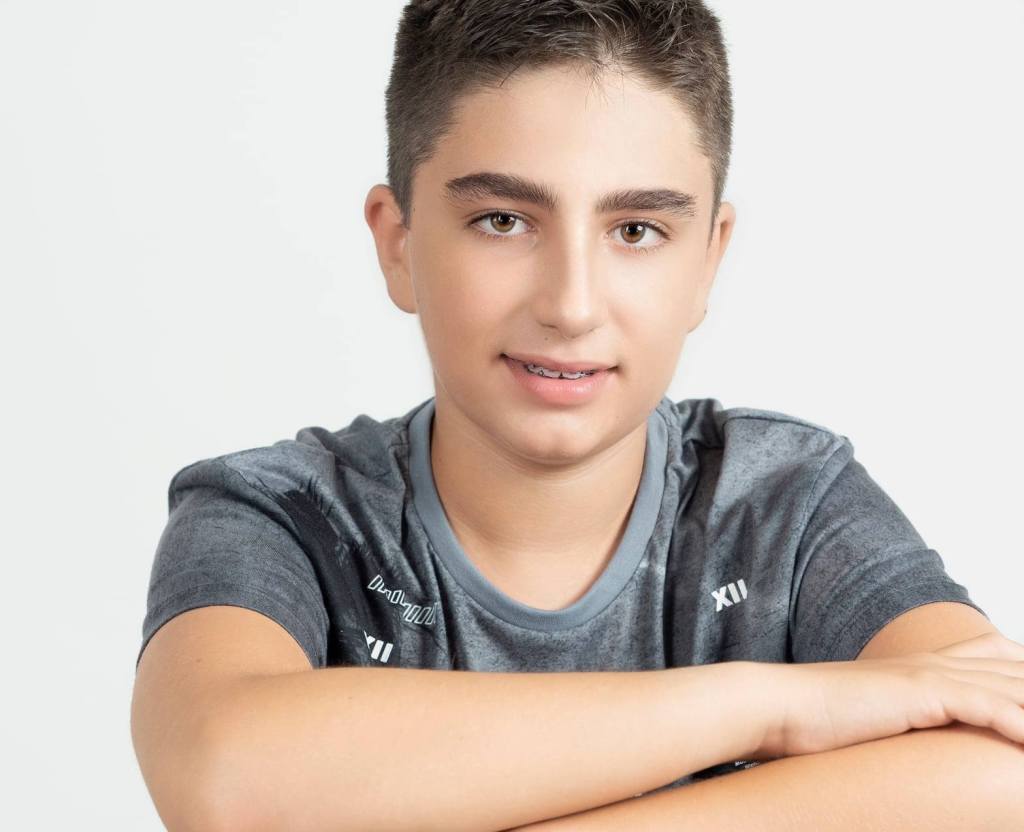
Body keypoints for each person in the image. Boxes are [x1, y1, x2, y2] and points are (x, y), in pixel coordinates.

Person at [131, 2, 1024, 830]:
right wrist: (775, 705)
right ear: (398, 242)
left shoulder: (783, 503)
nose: (571, 305)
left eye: (636, 231)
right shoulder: (280, 515)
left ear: (708, 259)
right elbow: (224, 773)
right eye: (503, 220)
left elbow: (1003, 764)